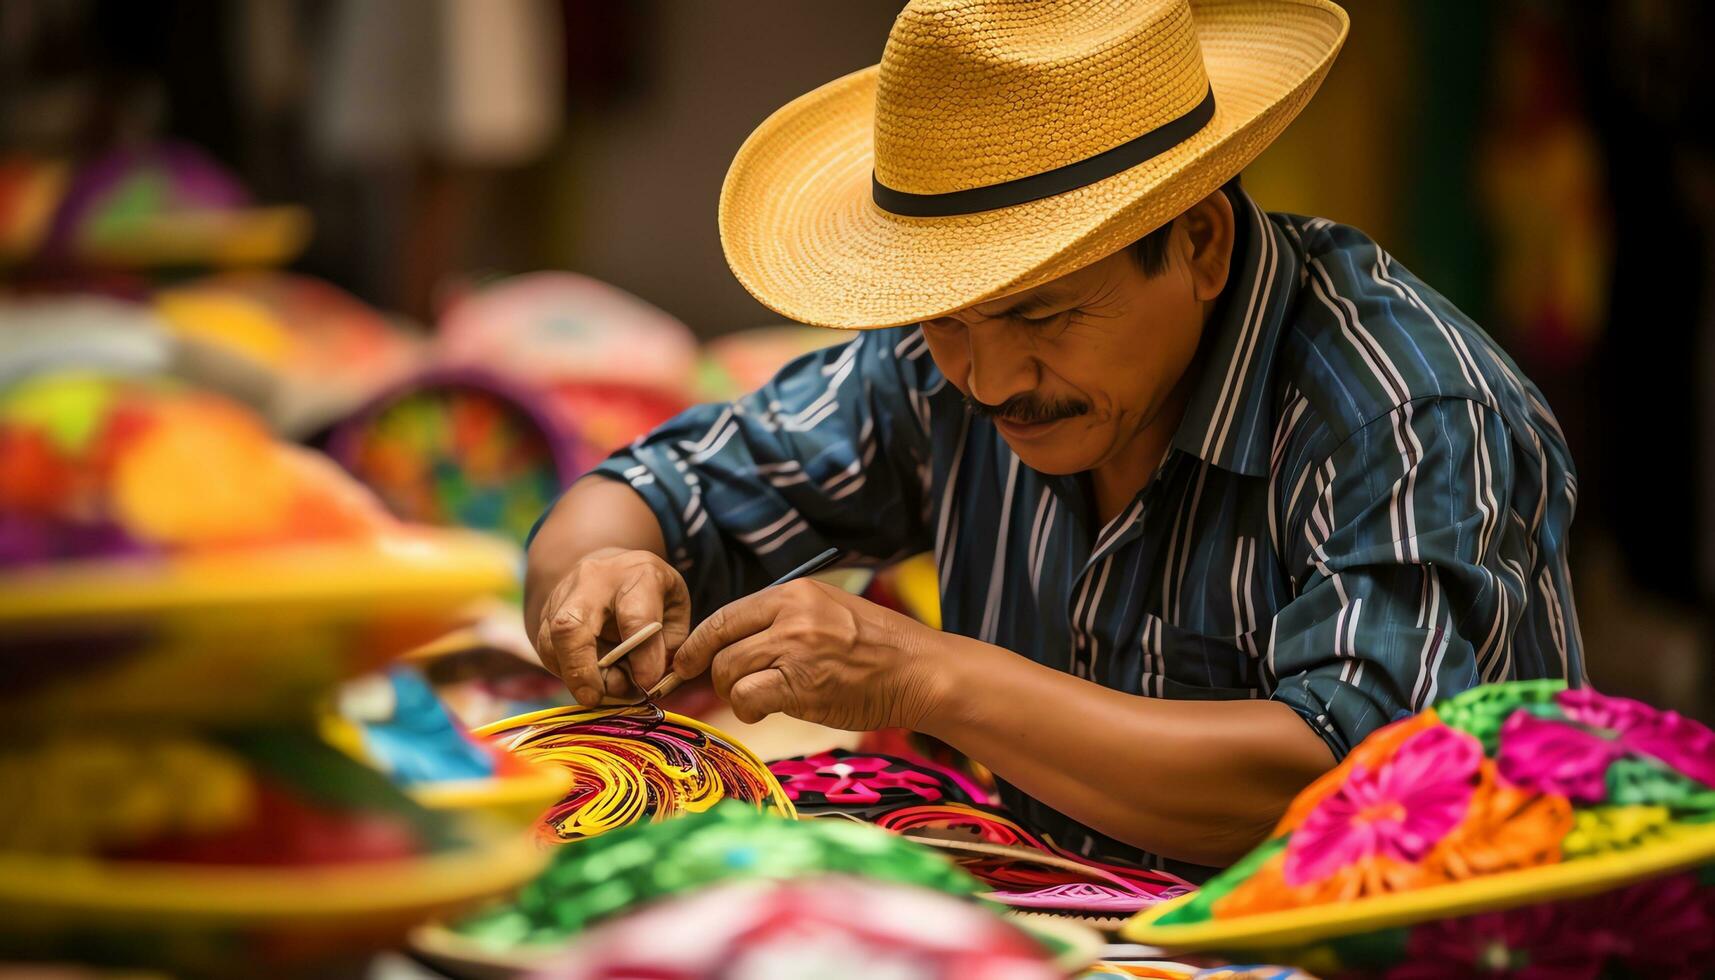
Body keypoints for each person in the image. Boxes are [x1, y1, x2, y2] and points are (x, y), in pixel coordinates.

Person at [525, 0, 1582, 878]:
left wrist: (926, 678)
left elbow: (1354, 787)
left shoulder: (1404, 413)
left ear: (1200, 240)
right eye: (944, 318)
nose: (986, 381)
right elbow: (645, 496)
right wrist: (599, 573)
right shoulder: (936, 366)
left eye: (1040, 315)